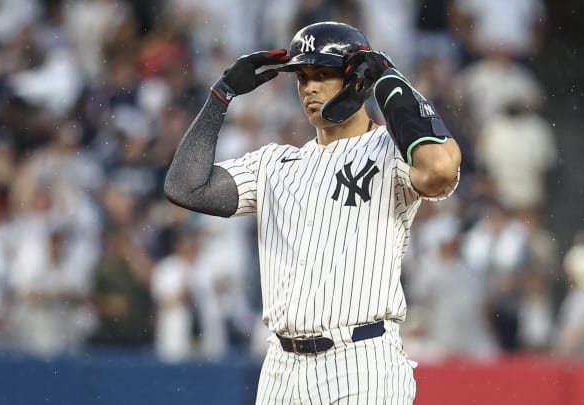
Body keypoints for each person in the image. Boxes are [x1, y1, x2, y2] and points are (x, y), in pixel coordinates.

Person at [164, 21, 461, 404]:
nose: (310, 88)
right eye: (302, 77)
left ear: (357, 79)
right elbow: (184, 186)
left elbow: (439, 169)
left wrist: (387, 77)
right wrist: (222, 95)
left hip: (361, 362)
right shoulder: (274, 163)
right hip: (281, 368)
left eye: (324, 74)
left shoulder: (389, 149)